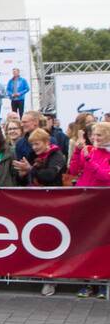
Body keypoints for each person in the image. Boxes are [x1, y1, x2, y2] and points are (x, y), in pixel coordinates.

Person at [69, 123, 110, 299]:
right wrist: (78, 151)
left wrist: (89, 160)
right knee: (84, 244)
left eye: (99, 135)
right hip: (84, 202)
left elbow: (105, 176)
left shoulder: (106, 154)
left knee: (100, 244)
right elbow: (73, 170)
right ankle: (86, 282)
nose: (95, 139)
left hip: (102, 205)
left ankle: (101, 283)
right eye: (94, 135)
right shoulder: (90, 150)